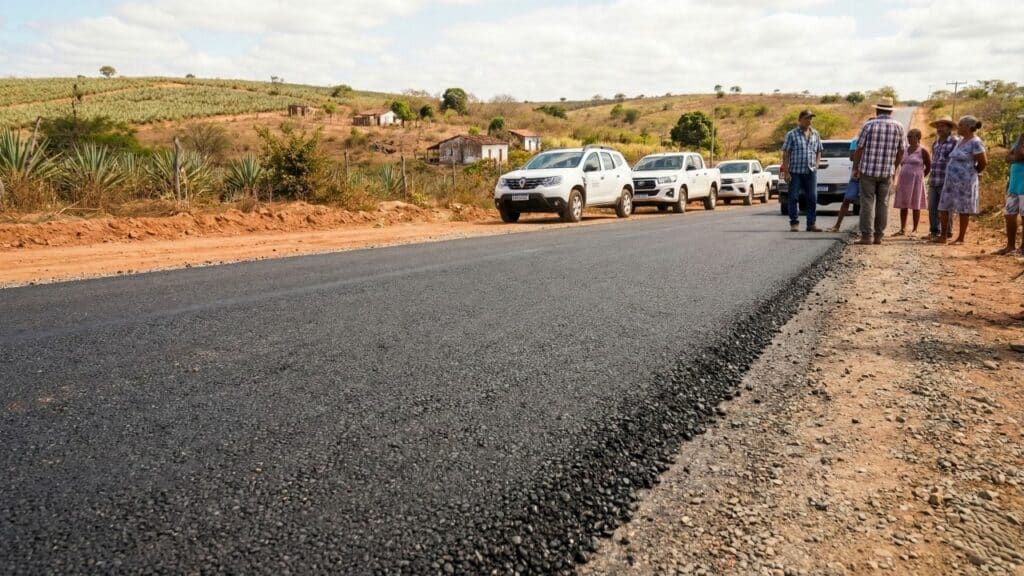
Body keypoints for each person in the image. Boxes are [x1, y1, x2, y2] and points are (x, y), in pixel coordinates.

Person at [852, 97, 906, 244]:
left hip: (868, 170)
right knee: (883, 203)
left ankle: (866, 236)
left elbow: (859, 148)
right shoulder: (898, 126)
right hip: (887, 172)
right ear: (890, 111)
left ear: (877, 110)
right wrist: (894, 168)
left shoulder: (869, 125)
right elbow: (902, 150)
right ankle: (878, 236)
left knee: (867, 203)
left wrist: (855, 168)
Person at [933, 116, 987, 245]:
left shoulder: (975, 142)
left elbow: (983, 162)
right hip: (951, 181)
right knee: (944, 206)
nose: (958, 128)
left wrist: (972, 173)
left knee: (964, 209)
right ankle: (943, 236)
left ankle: (961, 238)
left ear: (968, 127)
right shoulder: (961, 140)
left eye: (961, 125)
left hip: (966, 182)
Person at [781, 109, 824, 232]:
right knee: (793, 197)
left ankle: (811, 224)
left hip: (811, 171)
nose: (809, 121)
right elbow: (786, 153)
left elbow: (819, 151)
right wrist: (786, 171)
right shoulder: (792, 134)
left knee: (812, 198)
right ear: (800, 120)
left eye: (810, 118)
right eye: (806, 118)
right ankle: (794, 223)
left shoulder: (815, 134)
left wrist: (817, 164)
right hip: (795, 172)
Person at [892, 129, 931, 237]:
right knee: (903, 205)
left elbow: (928, 166)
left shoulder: (923, 150)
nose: (909, 139)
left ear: (918, 137)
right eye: (908, 136)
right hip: (904, 181)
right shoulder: (904, 150)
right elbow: (900, 163)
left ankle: (914, 230)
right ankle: (902, 229)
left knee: (916, 205)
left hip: (916, 182)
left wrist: (921, 176)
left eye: (911, 136)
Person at [928, 116, 959, 239]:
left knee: (947, 207)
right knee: (932, 207)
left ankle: (947, 232)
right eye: (938, 126)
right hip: (934, 179)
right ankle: (934, 231)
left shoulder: (955, 141)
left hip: (947, 180)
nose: (940, 129)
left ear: (949, 128)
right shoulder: (936, 143)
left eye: (943, 126)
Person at [996, 132, 1024, 255]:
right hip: (1014, 184)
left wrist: (1015, 156)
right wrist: (1014, 156)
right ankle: (1010, 246)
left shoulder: (1021, 139)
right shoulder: (1019, 139)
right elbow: (1008, 158)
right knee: (1009, 215)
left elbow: (1018, 156)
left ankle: (1022, 248)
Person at [828, 138, 859, 232]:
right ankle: (837, 226)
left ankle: (866, 230)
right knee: (847, 200)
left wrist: (859, 153)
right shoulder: (856, 141)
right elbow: (852, 157)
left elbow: (854, 155)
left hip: (866, 175)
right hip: (856, 175)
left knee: (867, 203)